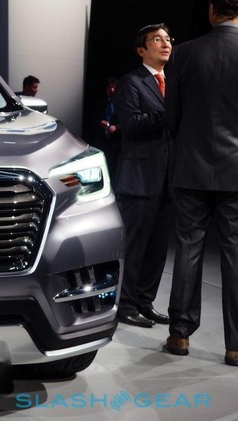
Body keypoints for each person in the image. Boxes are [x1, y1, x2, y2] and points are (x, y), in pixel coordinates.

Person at [163, 0, 238, 366]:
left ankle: (179, 334)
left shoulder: (185, 53)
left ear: (211, 10)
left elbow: (171, 115)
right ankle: (236, 345)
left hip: (191, 167)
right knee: (235, 255)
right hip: (237, 171)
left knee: (188, 249)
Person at [112, 23, 174, 328]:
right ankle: (125, 304)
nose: (166, 44)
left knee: (158, 247)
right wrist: (168, 113)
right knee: (134, 247)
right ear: (142, 49)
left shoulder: (174, 83)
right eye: (157, 39)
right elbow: (130, 124)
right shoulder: (131, 82)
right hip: (139, 177)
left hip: (170, 178)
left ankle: (145, 302)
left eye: (168, 39)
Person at [91, 77, 121, 181]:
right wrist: (100, 123)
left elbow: (128, 122)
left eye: (114, 87)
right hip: (102, 142)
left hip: (117, 142)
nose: (111, 90)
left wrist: (116, 127)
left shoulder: (123, 104)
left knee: (115, 169)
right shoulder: (100, 103)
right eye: (109, 88)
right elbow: (91, 121)